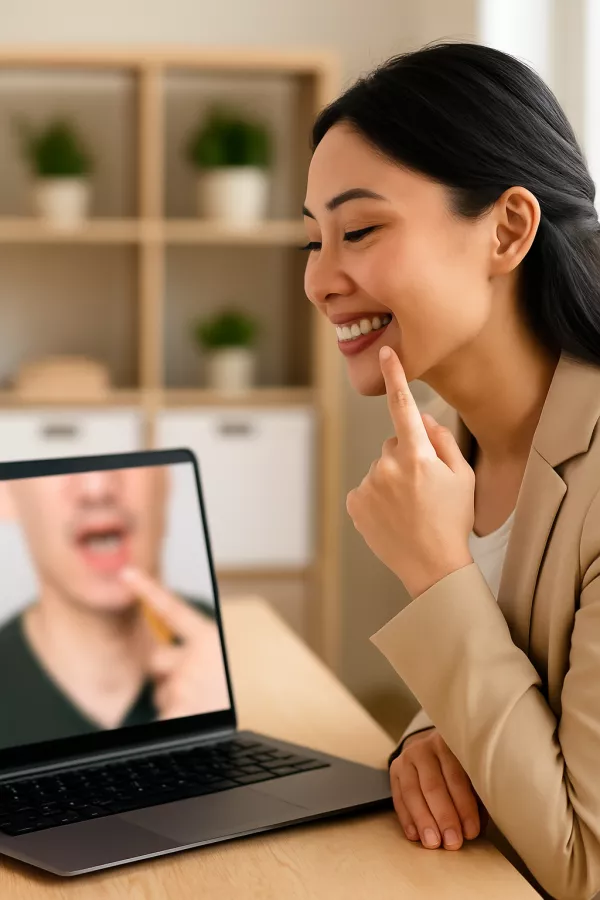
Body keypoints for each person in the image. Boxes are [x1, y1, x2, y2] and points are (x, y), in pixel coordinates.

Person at [302, 40, 600, 900]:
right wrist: (430, 740)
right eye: (313, 240)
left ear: (508, 228)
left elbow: (585, 863)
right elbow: (517, 698)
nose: (321, 280)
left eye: (358, 231)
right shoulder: (449, 447)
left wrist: (435, 574)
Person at [0, 465, 230, 750]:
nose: (97, 488)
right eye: (60, 465)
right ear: (5, 494)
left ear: (164, 480)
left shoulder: (242, 655)